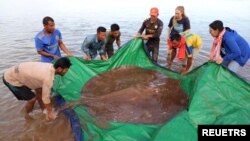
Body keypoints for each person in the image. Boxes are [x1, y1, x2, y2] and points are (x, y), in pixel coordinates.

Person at [2, 57, 72, 120]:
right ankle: (27, 115)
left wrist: (46, 109)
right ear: (59, 69)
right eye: (66, 70)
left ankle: (43, 110)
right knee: (32, 99)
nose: (66, 72)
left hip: (15, 72)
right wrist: (50, 112)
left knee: (39, 89)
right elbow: (45, 98)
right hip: (10, 79)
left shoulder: (49, 66)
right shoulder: (48, 78)